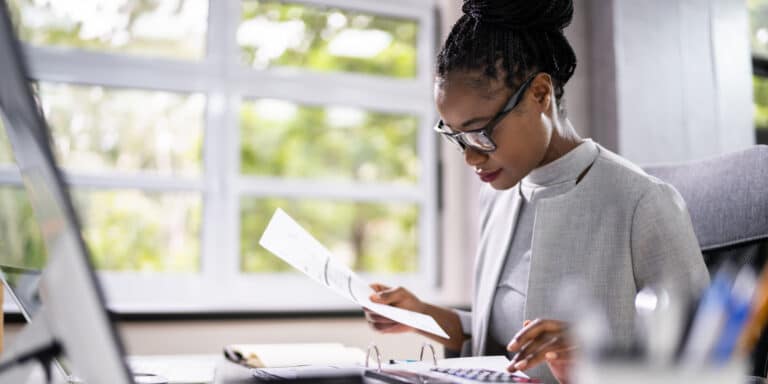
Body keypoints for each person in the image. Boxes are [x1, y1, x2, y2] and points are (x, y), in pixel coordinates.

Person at [364, 1, 710, 383]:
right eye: (457, 137)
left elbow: (706, 355)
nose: (471, 157)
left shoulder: (641, 201)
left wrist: (590, 351)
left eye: (480, 132)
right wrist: (420, 313)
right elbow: (496, 341)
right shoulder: (499, 195)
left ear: (540, 94)